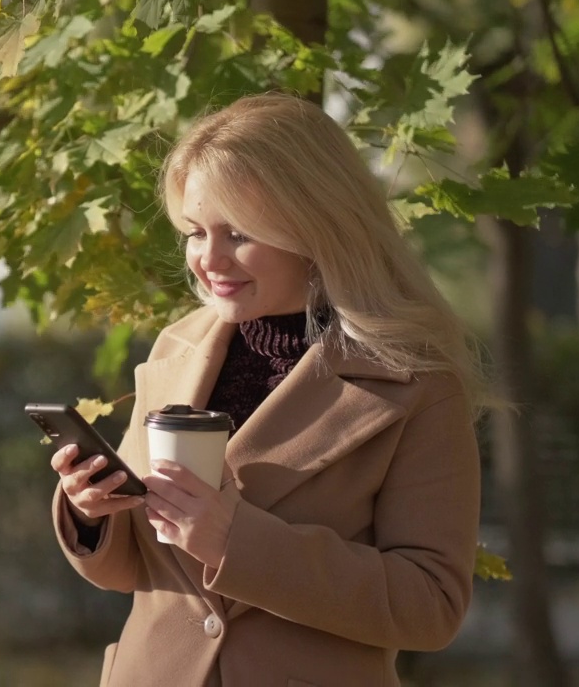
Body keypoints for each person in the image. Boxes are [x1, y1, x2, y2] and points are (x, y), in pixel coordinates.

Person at [49, 93, 483, 687]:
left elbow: (430, 606)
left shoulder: (416, 382)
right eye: (195, 232)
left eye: (238, 234)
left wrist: (238, 542)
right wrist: (92, 511)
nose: (207, 259)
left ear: (317, 229)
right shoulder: (176, 349)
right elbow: (136, 569)